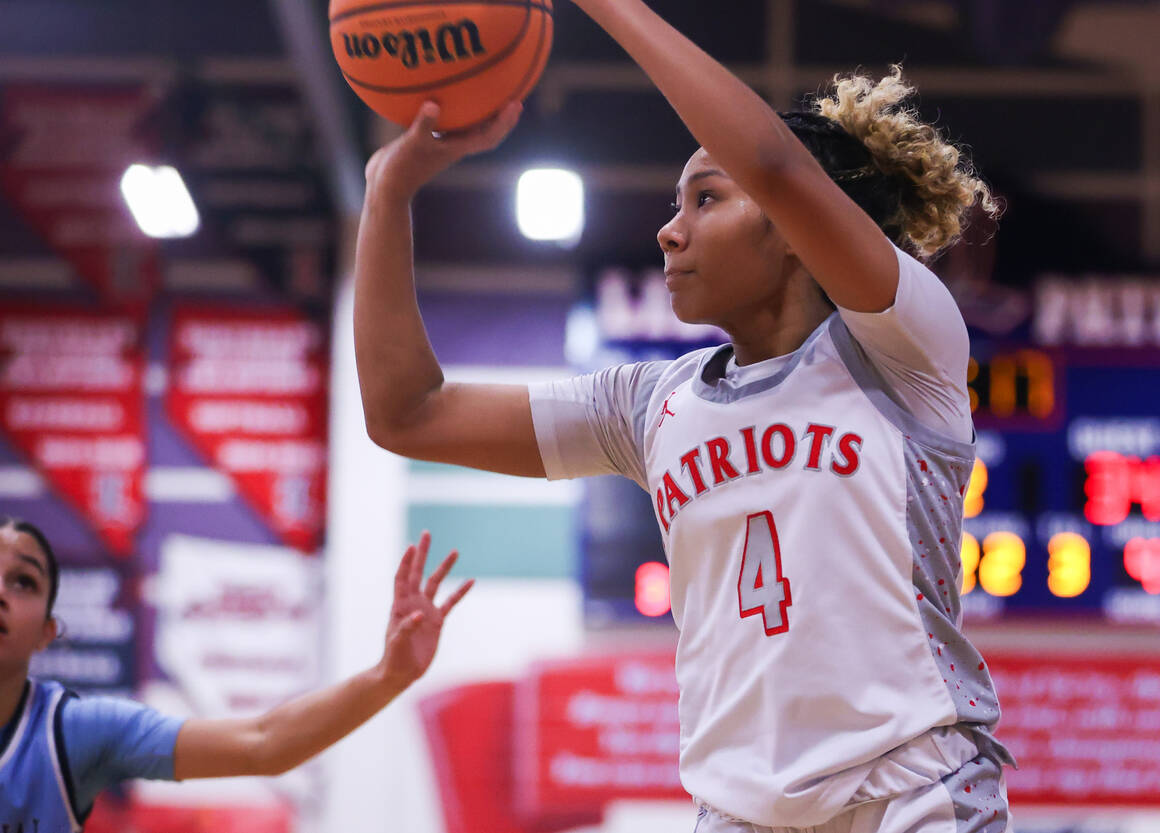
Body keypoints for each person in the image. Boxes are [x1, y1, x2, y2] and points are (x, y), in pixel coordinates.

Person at [353, 1, 1015, 830]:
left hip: (912, 793)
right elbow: (407, 413)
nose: (669, 232)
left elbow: (773, 163)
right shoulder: (647, 405)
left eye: (706, 198)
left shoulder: (904, 346)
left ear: (794, 229)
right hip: (737, 811)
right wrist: (388, 194)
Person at [0, 517, 471, 831]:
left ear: (47, 631)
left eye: (23, 581)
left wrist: (389, 676)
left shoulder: (74, 731)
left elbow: (263, 743)